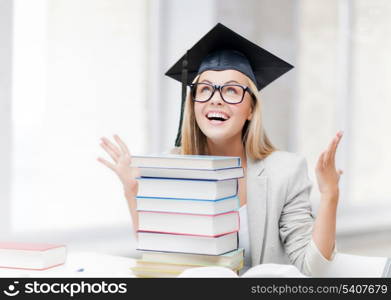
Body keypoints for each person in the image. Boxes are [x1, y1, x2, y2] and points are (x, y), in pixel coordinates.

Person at [97, 23, 343, 276]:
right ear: (192, 104)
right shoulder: (172, 168)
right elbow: (161, 260)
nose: (215, 99)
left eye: (231, 91)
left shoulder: (285, 172)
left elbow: (313, 268)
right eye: (205, 89)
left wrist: (330, 194)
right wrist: (133, 191)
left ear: (250, 109)